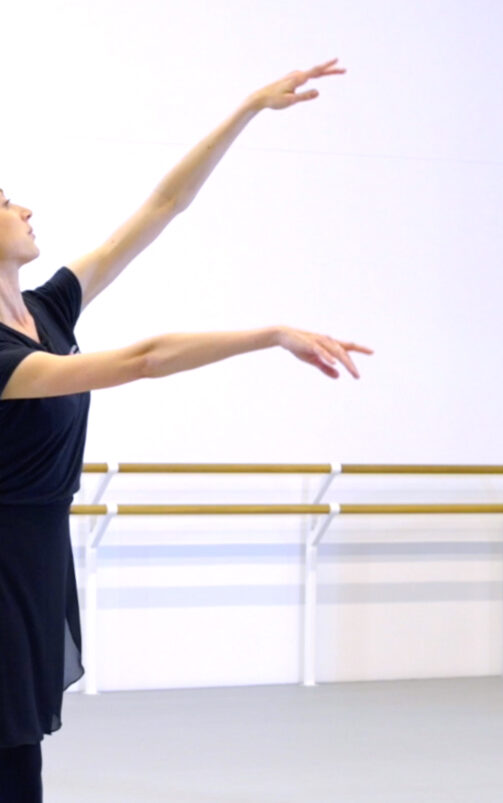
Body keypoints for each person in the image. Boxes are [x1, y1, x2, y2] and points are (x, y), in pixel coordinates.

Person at [0, 59, 370, 802]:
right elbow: (141, 360)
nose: (26, 208)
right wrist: (268, 333)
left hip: (38, 559)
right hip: (3, 566)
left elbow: (165, 204)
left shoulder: (45, 313)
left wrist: (248, 110)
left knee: (20, 760)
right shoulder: (3, 353)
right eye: (7, 202)